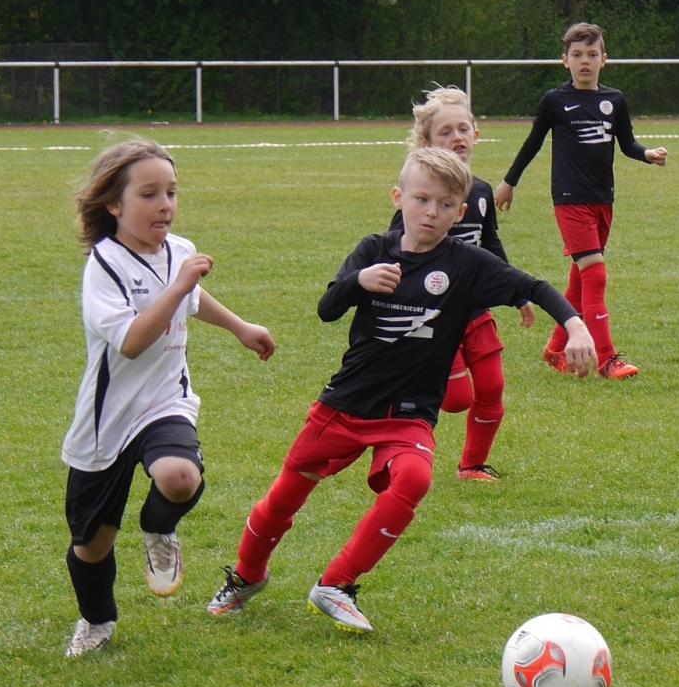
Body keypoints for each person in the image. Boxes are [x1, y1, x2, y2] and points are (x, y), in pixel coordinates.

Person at [207, 147, 595, 633]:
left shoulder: (467, 264)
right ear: (399, 197)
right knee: (285, 497)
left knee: (413, 478)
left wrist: (575, 326)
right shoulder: (374, 250)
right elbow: (328, 309)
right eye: (422, 199)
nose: (432, 212)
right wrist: (359, 281)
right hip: (346, 404)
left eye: (445, 205)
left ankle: (336, 584)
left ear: (459, 212)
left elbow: (535, 286)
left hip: (409, 414)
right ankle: (246, 576)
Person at [62, 138, 276, 657]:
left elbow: (193, 299)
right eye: (149, 194)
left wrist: (239, 326)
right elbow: (132, 342)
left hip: (165, 402)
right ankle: (97, 621)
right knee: (92, 545)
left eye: (171, 193)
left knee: (180, 478)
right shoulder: (105, 265)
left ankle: (160, 529)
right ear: (114, 204)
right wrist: (177, 287)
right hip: (106, 421)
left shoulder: (178, 250)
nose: (165, 205)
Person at [494, 21, 667, 380]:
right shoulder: (555, 101)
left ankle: (555, 349)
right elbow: (533, 143)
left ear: (604, 59)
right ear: (565, 60)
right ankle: (607, 358)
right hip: (570, 200)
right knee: (595, 274)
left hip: (603, 199)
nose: (584, 61)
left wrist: (647, 154)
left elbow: (627, 143)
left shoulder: (614, 100)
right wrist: (509, 182)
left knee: (579, 282)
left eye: (591, 54)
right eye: (577, 54)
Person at [388, 85, 535, 483]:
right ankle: (395, 428)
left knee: (492, 387)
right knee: (455, 399)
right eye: (445, 131)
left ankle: (472, 465)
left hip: (474, 310)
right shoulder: (421, 199)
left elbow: (490, 245)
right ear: (426, 143)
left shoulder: (482, 192)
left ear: (476, 134)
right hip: (432, 318)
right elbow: (394, 250)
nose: (457, 137)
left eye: (463, 129)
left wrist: (517, 292)